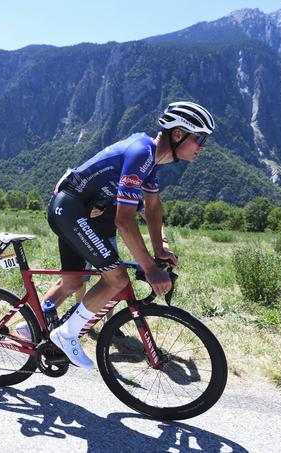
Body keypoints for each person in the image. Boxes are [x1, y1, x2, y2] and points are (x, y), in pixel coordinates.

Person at [44, 101, 214, 368]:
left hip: (76, 211)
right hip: (70, 209)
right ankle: (67, 335)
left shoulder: (152, 163)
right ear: (178, 134)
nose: (202, 146)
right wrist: (149, 268)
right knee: (117, 279)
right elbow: (125, 220)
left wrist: (159, 250)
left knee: (75, 283)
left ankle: (31, 331)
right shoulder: (141, 154)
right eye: (199, 138)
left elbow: (154, 208)